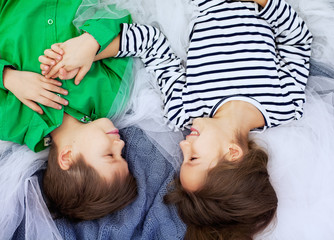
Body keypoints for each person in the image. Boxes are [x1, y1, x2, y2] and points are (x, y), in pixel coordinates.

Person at [40, 0, 312, 237]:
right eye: (193, 158)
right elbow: (298, 39)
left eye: (183, 158)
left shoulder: (184, 110)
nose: (183, 145)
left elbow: (153, 47)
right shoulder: (284, 106)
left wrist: (91, 51)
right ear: (232, 152)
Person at [0, 0, 137, 221]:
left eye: (111, 155)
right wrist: (90, 44)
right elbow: (121, 19)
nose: (121, 144)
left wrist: (9, 78)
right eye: (123, 155)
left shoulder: (15, 123)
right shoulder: (110, 99)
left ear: (67, 157)